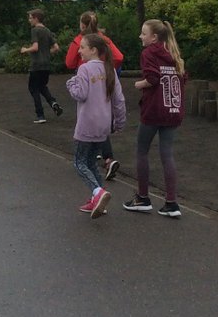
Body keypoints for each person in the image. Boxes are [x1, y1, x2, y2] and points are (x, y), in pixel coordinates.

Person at [123, 19, 187, 219]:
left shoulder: (149, 53)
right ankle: (171, 202)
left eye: (143, 33)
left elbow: (152, 78)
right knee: (167, 154)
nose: (140, 36)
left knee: (142, 151)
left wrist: (139, 84)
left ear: (154, 38)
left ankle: (143, 197)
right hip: (173, 109)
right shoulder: (174, 55)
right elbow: (182, 79)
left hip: (153, 110)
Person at [66, 34, 127, 217]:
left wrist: (71, 84)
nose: (79, 50)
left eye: (82, 47)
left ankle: (97, 192)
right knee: (92, 162)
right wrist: (119, 122)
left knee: (79, 162)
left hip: (87, 124)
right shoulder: (109, 70)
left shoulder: (84, 69)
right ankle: (98, 202)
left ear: (93, 50)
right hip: (103, 125)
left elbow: (80, 94)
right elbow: (119, 100)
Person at [19, 9, 62, 123]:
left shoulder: (35, 31)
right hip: (46, 65)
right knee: (42, 86)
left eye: (30, 18)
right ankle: (53, 102)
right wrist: (47, 53)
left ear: (36, 18)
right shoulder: (47, 30)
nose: (29, 20)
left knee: (33, 89)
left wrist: (25, 50)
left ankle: (40, 115)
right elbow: (56, 47)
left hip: (36, 65)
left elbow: (35, 47)